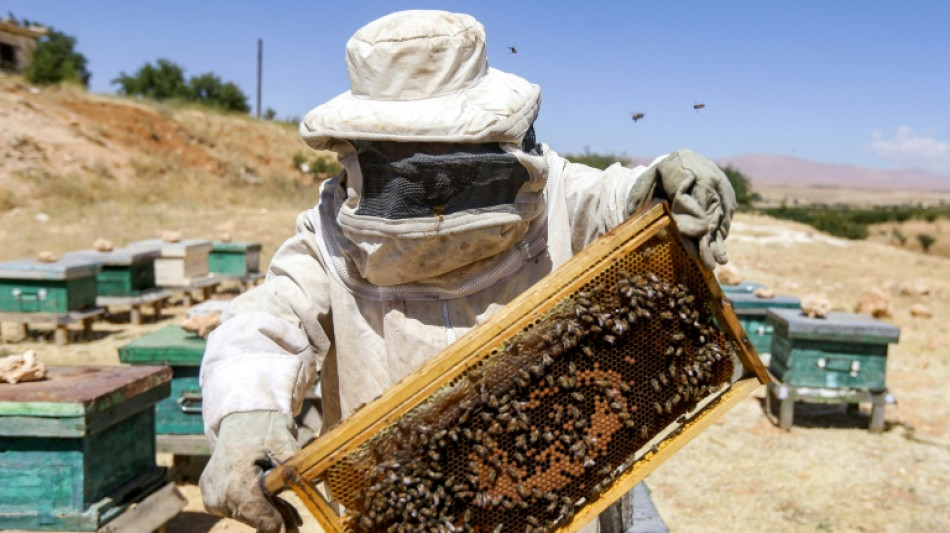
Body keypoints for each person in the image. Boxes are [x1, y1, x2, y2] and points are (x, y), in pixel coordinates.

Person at [199, 9, 736, 533]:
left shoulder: (559, 194)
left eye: (449, 149)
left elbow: (615, 200)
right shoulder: (327, 235)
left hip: (559, 487)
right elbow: (267, 322)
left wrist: (661, 189)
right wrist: (246, 414)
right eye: (410, 154)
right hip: (403, 501)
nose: (433, 174)